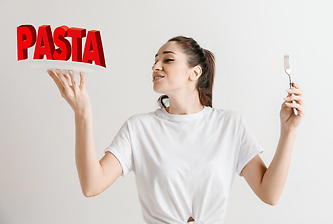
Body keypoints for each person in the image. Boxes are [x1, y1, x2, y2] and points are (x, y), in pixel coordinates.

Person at [47, 36, 306, 224]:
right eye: (155, 61)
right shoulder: (140, 128)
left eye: (167, 60)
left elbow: (269, 193)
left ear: (195, 72)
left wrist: (288, 131)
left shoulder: (229, 125)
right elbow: (92, 185)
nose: (155, 66)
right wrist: (82, 113)